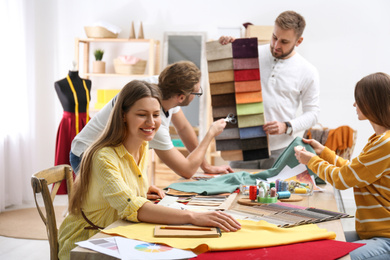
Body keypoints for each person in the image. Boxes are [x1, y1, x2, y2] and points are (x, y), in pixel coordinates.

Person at [58, 80, 241, 260]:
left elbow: (120, 196)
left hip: (116, 232)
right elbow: (132, 208)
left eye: (155, 114)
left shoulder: (142, 146)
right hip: (87, 243)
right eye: (142, 114)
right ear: (123, 115)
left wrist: (140, 190)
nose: (151, 122)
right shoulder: (103, 156)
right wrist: (193, 216)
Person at [70, 61, 233, 178]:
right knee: (108, 212)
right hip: (87, 154)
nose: (197, 95)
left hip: (111, 155)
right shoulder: (154, 123)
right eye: (197, 93)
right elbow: (187, 171)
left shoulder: (164, 85)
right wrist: (210, 134)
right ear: (181, 97)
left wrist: (206, 166)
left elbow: (183, 128)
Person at [294, 72, 390, 260]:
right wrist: (324, 152)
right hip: (371, 234)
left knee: (330, 256)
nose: (354, 105)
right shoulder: (379, 140)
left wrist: (311, 161)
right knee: (315, 246)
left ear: (371, 102)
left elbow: (343, 179)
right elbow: (353, 171)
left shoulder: (385, 144)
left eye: (358, 100)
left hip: (385, 238)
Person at [219, 10, 320, 169]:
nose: (276, 45)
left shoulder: (308, 71)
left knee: (274, 193)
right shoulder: (250, 54)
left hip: (280, 150)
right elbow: (222, 77)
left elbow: (313, 114)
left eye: (284, 42)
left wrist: (286, 126)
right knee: (237, 191)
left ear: (298, 41)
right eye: (274, 37)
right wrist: (227, 47)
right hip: (244, 145)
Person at [54, 70, 91, 194]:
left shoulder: (87, 83)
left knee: (89, 159)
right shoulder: (60, 84)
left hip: (86, 124)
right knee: (68, 159)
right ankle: (71, 200)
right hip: (68, 126)